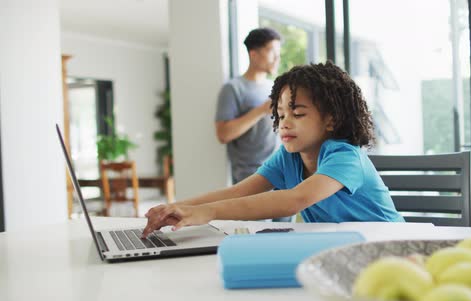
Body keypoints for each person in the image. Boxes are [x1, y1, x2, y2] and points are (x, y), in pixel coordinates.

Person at [142, 62, 404, 238]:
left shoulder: (345, 156)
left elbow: (295, 199)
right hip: (342, 247)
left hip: (389, 245)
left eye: (298, 113)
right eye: (280, 114)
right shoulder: (289, 157)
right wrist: (175, 207)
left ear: (331, 120)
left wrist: (206, 213)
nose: (285, 122)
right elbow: (237, 191)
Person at [215, 27, 281, 184]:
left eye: (278, 52)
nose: (277, 58)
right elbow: (223, 134)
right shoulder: (233, 88)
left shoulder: (274, 87)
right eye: (272, 51)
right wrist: (261, 110)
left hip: (278, 171)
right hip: (249, 178)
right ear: (254, 54)